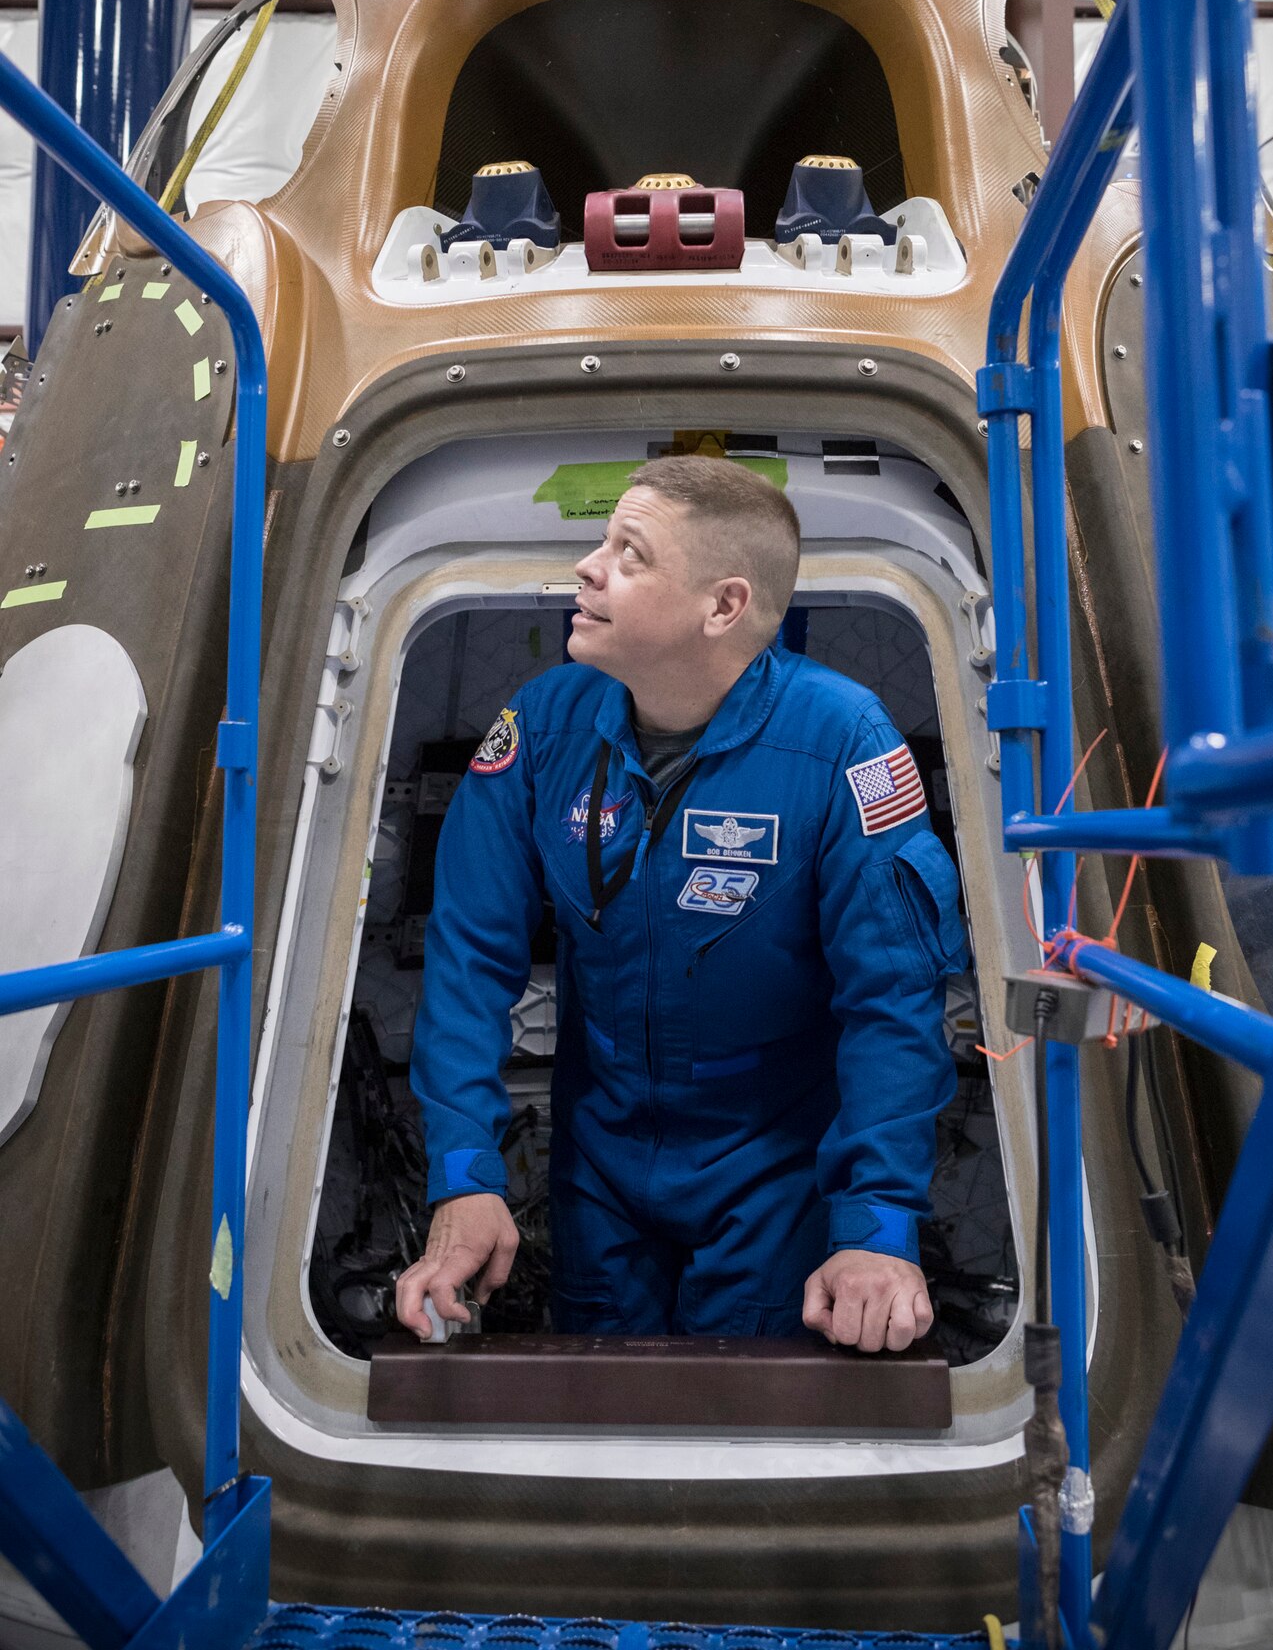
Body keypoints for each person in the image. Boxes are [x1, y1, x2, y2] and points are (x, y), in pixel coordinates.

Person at [396, 456, 967, 1352]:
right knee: (600, 1412)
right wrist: (464, 1178)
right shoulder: (542, 726)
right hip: (598, 1157)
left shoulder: (841, 743)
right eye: (601, 544)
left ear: (722, 607)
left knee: (748, 1425)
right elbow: (468, 961)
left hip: (774, 1163)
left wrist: (876, 1230)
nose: (587, 567)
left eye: (630, 555)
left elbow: (892, 1003)